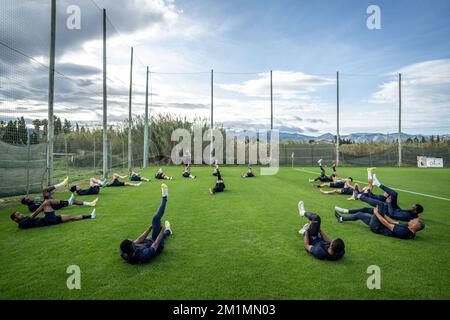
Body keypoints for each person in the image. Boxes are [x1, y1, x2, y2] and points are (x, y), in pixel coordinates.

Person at [119, 184, 173, 264]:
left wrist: (150, 228)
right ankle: (165, 198)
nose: (132, 240)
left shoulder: (124, 252)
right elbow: (155, 244)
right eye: (132, 242)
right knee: (156, 220)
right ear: (132, 247)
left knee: (155, 229)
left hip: (148, 240)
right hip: (157, 246)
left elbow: (140, 239)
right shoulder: (142, 255)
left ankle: (168, 230)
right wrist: (162, 230)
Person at [334, 204, 424, 240]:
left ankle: (361, 196)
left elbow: (387, 224)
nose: (411, 220)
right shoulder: (408, 227)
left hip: (377, 227)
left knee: (381, 205)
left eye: (413, 220)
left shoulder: (404, 232)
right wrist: (383, 214)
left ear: (415, 225)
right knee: (360, 214)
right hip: (379, 224)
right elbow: (393, 221)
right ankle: (341, 219)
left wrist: (377, 213)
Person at [10, 199, 96, 229]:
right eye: (18, 214)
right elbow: (33, 215)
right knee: (47, 202)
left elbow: (32, 215)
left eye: (19, 213)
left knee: (70, 217)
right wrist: (42, 206)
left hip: (51, 220)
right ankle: (68, 202)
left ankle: (91, 216)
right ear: (15, 219)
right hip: (48, 221)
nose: (20, 214)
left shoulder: (23, 220)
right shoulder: (22, 223)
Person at [22, 194, 97, 212]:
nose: (30, 198)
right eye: (28, 199)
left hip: (53, 203)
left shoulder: (34, 201)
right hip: (52, 207)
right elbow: (42, 207)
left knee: (73, 201)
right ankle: (68, 202)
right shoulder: (31, 207)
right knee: (70, 201)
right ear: (26, 202)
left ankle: (90, 204)